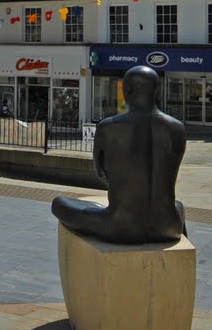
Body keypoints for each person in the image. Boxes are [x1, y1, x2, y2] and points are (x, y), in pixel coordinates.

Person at [52, 65, 187, 243]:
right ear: (155, 90)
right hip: (169, 226)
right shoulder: (177, 128)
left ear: (127, 90)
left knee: (59, 203)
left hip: (122, 227)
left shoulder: (108, 127)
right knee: (178, 206)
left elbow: (101, 172)